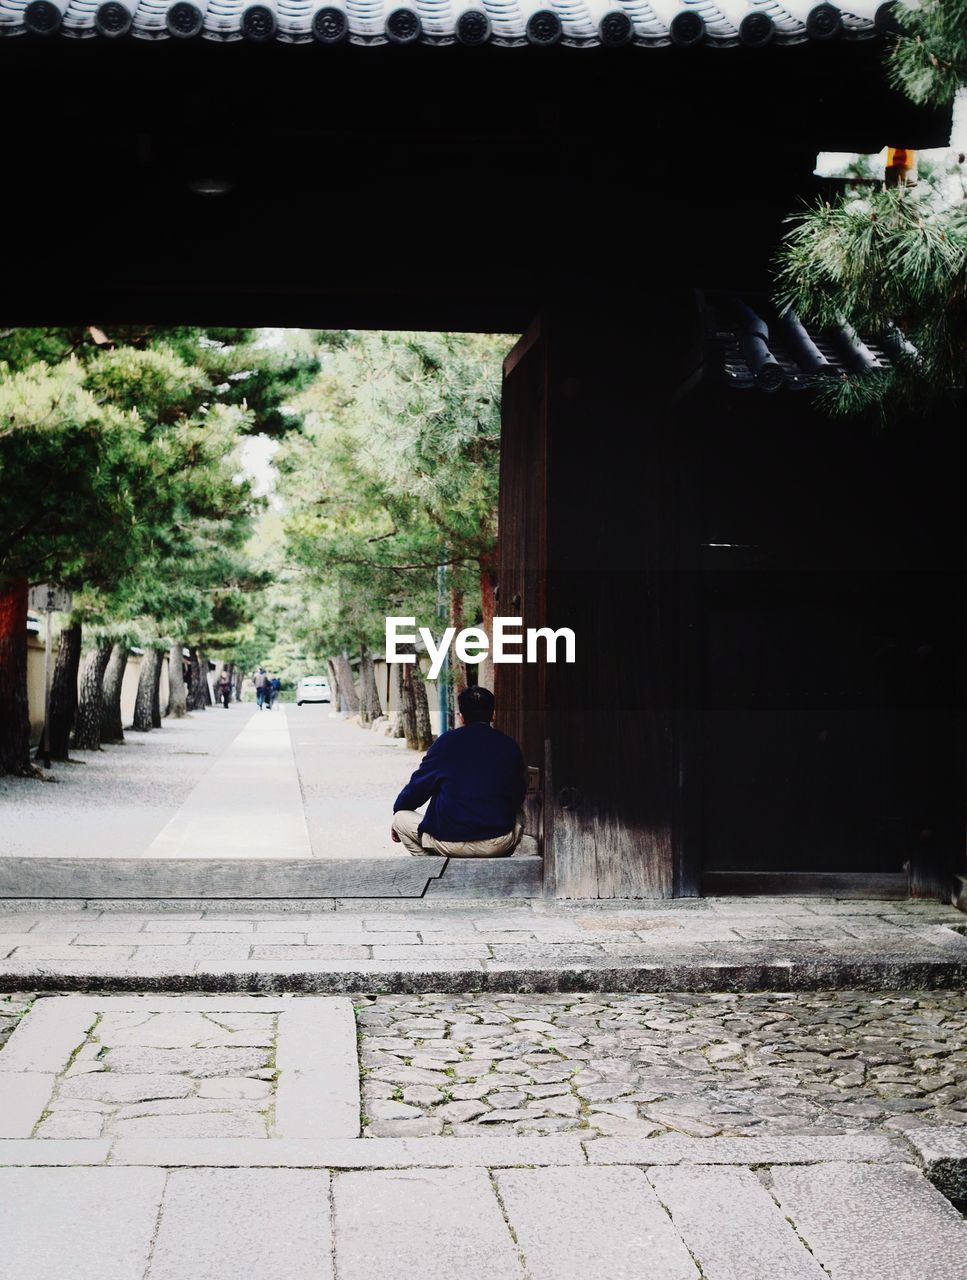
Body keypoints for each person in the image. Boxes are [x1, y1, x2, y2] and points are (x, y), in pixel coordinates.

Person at [391, 685, 526, 858]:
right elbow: (518, 795)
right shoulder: (510, 745)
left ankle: (432, 869)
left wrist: (400, 809)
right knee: (519, 814)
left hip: (450, 842)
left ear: (461, 717)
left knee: (400, 818)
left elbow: (418, 788)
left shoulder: (445, 743)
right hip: (497, 843)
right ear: (493, 714)